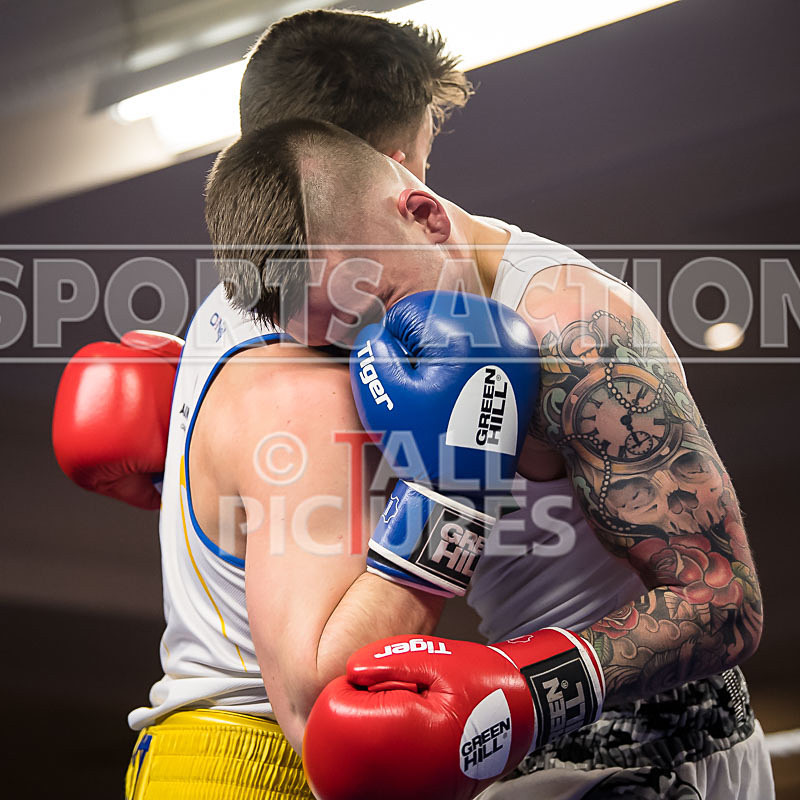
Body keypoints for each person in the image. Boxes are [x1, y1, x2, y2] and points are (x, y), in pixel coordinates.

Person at [203, 117, 774, 799]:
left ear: (425, 216)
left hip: (670, 738)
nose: (386, 352)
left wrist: (520, 689)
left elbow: (723, 603)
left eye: (384, 307)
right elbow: (311, 691)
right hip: (531, 742)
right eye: (342, 341)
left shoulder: (575, 332)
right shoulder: (373, 364)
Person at [54, 9, 472, 800]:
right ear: (380, 174)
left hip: (204, 761)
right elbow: (320, 709)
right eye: (417, 168)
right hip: (266, 767)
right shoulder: (303, 384)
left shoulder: (231, 307)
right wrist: (460, 493)